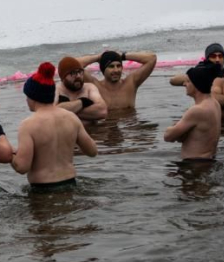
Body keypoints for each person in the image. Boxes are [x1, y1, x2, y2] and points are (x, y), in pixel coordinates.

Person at [11, 62, 97, 191]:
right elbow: (92, 151)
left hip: (43, 191)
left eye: (27, 96)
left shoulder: (28, 125)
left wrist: (9, 152)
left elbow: (22, 167)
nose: (26, 100)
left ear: (33, 97)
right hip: (71, 186)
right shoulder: (71, 118)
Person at [164, 61, 223, 161]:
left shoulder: (197, 110)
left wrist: (172, 127)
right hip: (209, 160)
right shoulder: (214, 103)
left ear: (196, 84)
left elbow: (168, 137)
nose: (184, 84)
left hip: (193, 164)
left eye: (188, 81)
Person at [77, 50, 157, 111]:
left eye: (119, 66)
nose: (116, 70)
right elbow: (75, 63)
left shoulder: (131, 83)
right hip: (105, 127)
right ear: (103, 69)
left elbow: (152, 58)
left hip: (130, 126)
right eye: (111, 66)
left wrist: (122, 56)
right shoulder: (95, 86)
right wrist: (98, 57)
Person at [55, 56, 108, 122]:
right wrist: (82, 102)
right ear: (63, 77)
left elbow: (102, 111)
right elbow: (52, 112)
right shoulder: (56, 89)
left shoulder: (89, 88)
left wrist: (67, 110)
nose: (78, 76)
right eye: (73, 73)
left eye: (80, 72)